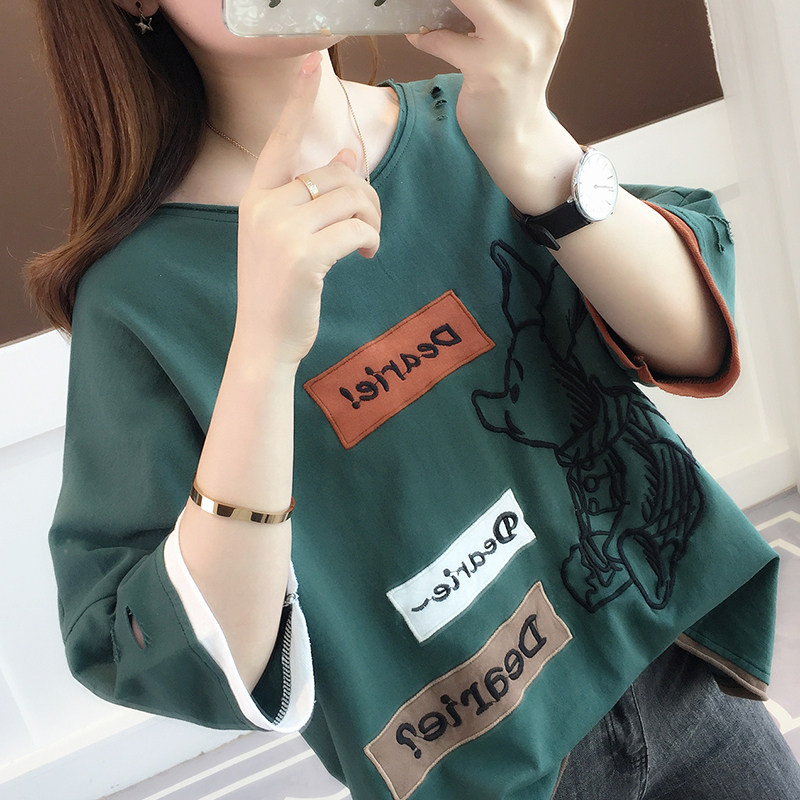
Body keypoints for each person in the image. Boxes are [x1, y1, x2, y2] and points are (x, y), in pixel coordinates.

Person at [27, 1, 800, 798]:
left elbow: (694, 345)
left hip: (680, 665)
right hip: (477, 766)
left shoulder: (472, 117)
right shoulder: (137, 295)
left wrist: (528, 138)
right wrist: (261, 351)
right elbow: (171, 646)